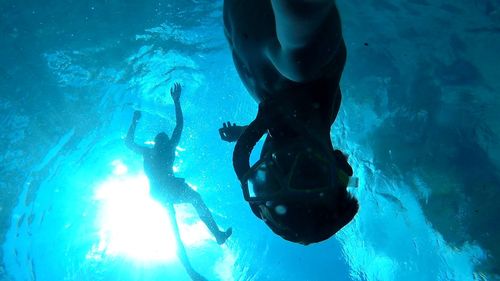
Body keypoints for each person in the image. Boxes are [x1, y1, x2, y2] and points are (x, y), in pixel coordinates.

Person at [218, 1, 358, 245]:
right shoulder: (304, 61)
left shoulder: (280, 101)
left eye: (268, 180)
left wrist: (245, 130)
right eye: (307, 173)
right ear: (338, 166)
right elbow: (302, 18)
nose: (280, 153)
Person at [126, 83, 231, 281]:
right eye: (161, 140)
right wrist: (134, 120)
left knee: (183, 218)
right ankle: (195, 265)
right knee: (179, 223)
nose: (162, 141)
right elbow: (131, 143)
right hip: (163, 190)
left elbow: (178, 126)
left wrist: (176, 101)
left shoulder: (160, 149)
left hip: (165, 189)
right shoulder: (154, 151)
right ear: (158, 143)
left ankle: (215, 238)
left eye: (163, 140)